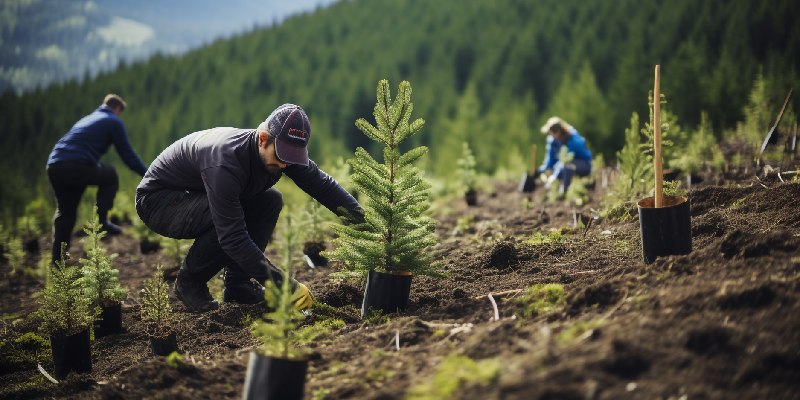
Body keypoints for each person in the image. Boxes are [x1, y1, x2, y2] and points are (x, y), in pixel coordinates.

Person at [135, 104, 363, 313]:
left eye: (292, 158)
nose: (284, 164)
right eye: (280, 156)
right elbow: (232, 237)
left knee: (269, 201)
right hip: (159, 202)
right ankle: (190, 282)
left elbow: (322, 185)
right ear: (263, 138)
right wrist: (284, 286)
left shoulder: (281, 152)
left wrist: (369, 227)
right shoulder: (226, 161)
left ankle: (238, 286)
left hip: (195, 195)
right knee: (226, 219)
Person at [47, 94, 148, 264]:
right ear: (117, 109)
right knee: (110, 175)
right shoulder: (113, 121)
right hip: (75, 165)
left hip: (55, 166)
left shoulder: (88, 118)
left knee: (66, 213)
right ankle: (102, 222)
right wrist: (149, 174)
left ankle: (57, 262)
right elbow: (128, 155)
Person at [537, 116, 592, 195]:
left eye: (551, 132)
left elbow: (566, 160)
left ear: (557, 132)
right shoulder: (553, 141)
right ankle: (557, 192)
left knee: (567, 166)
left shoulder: (573, 141)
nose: (550, 135)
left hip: (584, 165)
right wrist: (542, 170)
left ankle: (564, 193)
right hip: (565, 165)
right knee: (561, 168)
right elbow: (550, 160)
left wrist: (554, 176)